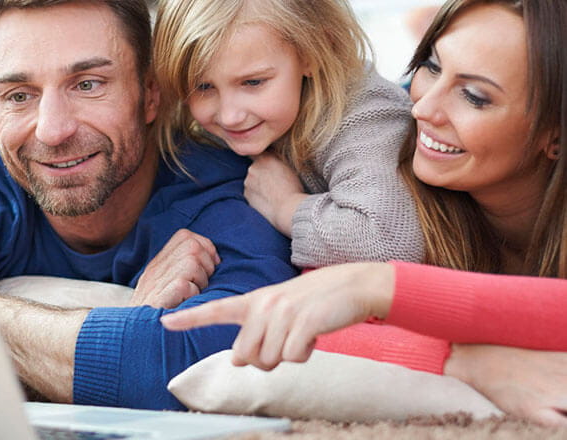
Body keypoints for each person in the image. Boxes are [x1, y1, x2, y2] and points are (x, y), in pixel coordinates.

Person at [162, 0, 567, 426]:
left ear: (554, 134)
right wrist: (462, 361)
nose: (421, 108)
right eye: (430, 66)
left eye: (474, 95)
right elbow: (313, 317)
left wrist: (377, 284)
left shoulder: (373, 151)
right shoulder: (411, 186)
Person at [0, 0, 297, 410]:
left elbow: (195, 372)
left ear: (150, 94)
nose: (53, 130)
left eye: (88, 84)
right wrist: (129, 322)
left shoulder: (228, 196)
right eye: (18, 95)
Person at [152, 0, 423, 267]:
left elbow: (389, 240)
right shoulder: (214, 126)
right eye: (203, 87)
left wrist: (285, 206)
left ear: (313, 52)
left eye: (253, 82)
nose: (229, 116)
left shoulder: (364, 113)